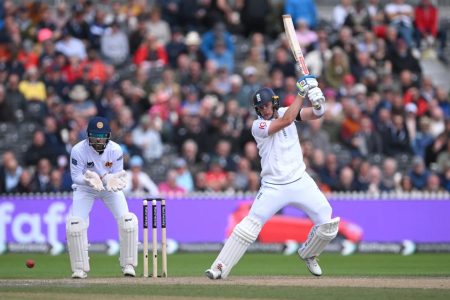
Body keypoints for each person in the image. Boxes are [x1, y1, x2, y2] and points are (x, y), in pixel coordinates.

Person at [205, 75, 340, 279]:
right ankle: (219, 267)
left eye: (267, 106)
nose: (264, 110)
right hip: (273, 187)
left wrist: (318, 100)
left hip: (300, 181)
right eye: (260, 108)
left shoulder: (289, 111)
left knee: (327, 224)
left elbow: (316, 114)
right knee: (249, 226)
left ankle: (309, 254)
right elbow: (285, 121)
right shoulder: (257, 126)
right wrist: (302, 93)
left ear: (274, 103)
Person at [67, 116, 138, 279]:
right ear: (88, 136)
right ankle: (79, 268)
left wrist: (109, 179)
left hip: (108, 187)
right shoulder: (78, 150)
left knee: (128, 221)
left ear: (108, 136)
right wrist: (88, 179)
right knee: (75, 224)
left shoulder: (115, 150)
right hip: (86, 188)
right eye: (95, 136)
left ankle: (128, 264)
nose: (99, 140)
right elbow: (75, 176)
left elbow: (117, 175)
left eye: (102, 136)